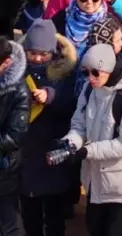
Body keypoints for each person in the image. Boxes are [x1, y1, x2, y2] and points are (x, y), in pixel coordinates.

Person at [62, 43, 122, 236]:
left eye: (95, 73)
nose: (90, 78)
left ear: (109, 69)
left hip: (121, 187)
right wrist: (70, 143)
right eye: (86, 72)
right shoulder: (88, 90)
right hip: (94, 182)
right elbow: (78, 124)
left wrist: (88, 151)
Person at [20, 18, 77, 236]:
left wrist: (51, 96)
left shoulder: (65, 72)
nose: (37, 58)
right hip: (27, 152)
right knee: (30, 215)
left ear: (52, 52)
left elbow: (72, 105)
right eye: (32, 53)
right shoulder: (17, 72)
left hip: (52, 152)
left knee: (54, 216)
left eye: (43, 54)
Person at [0, 36, 30, 236]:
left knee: (9, 223)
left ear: (6, 63)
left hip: (4, 167)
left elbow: (14, 136)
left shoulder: (19, 91)